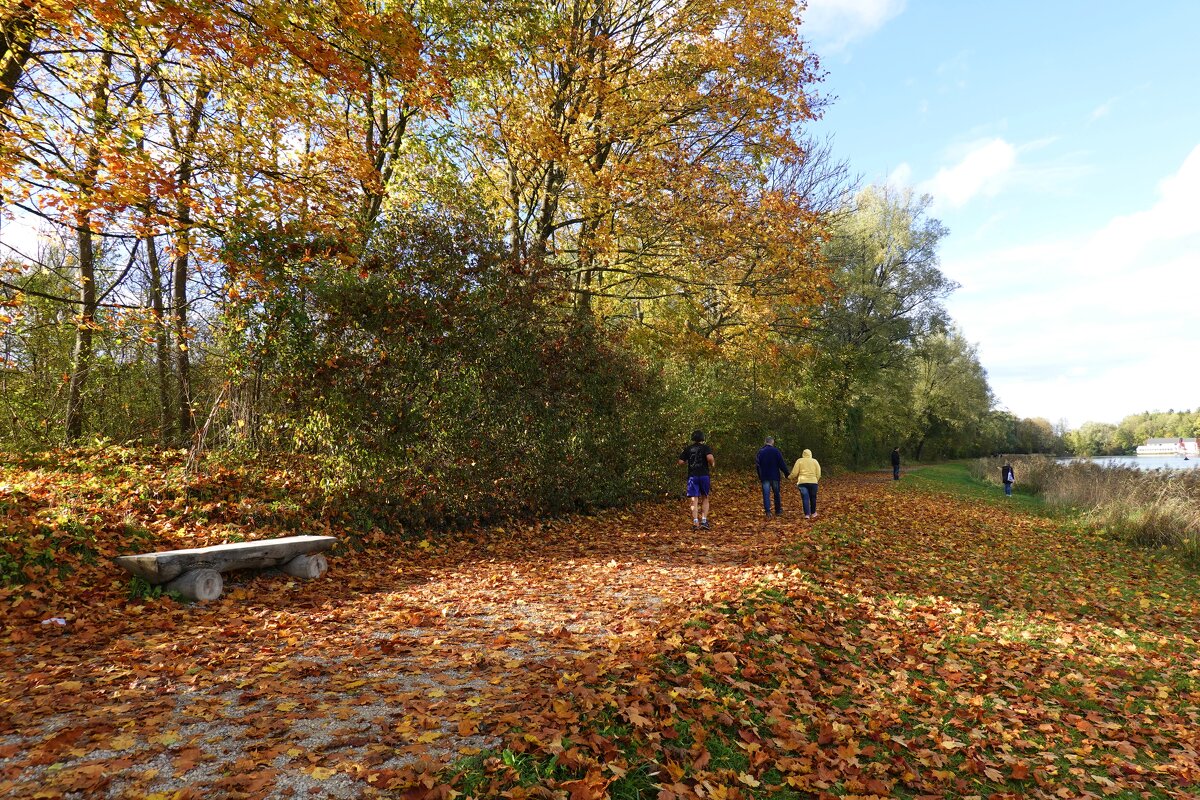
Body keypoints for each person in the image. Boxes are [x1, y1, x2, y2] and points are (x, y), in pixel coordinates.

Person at [678, 430, 715, 530]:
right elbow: (710, 457)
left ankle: (695, 522)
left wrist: (687, 461)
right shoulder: (705, 447)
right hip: (704, 475)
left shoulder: (688, 449)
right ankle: (704, 521)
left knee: (694, 500)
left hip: (692, 476)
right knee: (705, 498)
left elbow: (681, 461)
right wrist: (712, 464)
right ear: (702, 438)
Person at [755, 437, 788, 518]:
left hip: (765, 476)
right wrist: (786, 473)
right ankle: (778, 510)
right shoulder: (776, 451)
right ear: (772, 442)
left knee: (766, 494)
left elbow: (757, 465)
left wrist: (760, 476)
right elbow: (781, 463)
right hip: (774, 476)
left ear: (765, 442)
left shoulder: (760, 452)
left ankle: (768, 512)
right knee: (776, 493)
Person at [788, 448, 821, 519]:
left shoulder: (799, 461)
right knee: (813, 497)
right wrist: (816, 480)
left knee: (805, 498)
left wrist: (789, 477)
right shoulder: (814, 461)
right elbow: (818, 473)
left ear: (803, 454)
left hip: (802, 483)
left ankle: (807, 515)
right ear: (811, 454)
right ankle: (813, 513)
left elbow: (795, 472)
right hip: (813, 482)